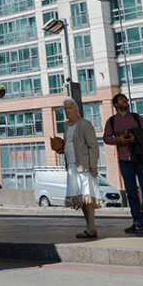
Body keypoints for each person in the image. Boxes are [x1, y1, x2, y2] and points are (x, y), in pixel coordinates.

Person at [103, 93, 143, 235]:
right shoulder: (111, 121)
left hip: (141, 159)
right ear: (116, 104)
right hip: (125, 160)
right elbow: (106, 138)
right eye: (122, 99)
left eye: (126, 99)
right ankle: (138, 224)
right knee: (131, 193)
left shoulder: (136, 118)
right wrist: (119, 139)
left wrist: (137, 137)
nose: (125, 101)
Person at [56, 97, 101, 238]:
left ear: (76, 110)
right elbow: (70, 144)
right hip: (71, 166)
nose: (67, 111)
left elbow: (93, 146)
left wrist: (93, 165)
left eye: (70, 108)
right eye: (65, 109)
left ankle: (91, 227)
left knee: (87, 197)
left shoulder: (85, 124)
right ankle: (89, 228)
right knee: (81, 199)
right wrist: (60, 148)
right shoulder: (65, 125)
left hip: (84, 166)